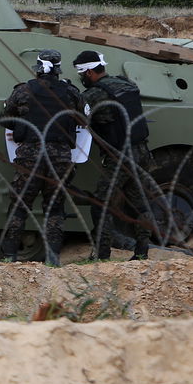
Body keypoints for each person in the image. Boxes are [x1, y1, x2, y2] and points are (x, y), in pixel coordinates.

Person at [0, 49, 83, 265]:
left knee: (19, 206)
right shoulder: (70, 92)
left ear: (37, 69)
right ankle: (53, 258)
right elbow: (84, 119)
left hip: (30, 157)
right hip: (60, 158)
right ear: (58, 69)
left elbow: (4, 120)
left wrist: (23, 124)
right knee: (54, 207)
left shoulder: (23, 91)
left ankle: (10, 257)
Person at [74, 50, 156, 261]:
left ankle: (102, 254)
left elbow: (76, 114)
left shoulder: (94, 94)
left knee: (101, 204)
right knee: (140, 204)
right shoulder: (126, 84)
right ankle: (142, 252)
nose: (82, 78)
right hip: (141, 152)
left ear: (90, 72)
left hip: (120, 156)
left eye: (81, 73)